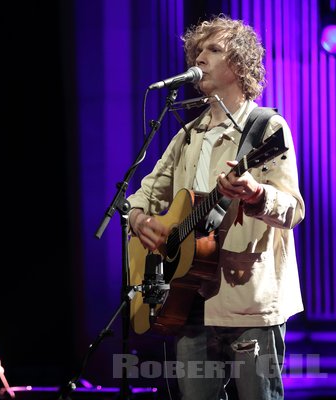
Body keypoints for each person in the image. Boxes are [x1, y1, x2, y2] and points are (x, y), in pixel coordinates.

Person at [127, 15, 304, 400]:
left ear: (239, 65)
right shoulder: (188, 134)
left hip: (247, 303)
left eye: (214, 49)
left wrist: (256, 194)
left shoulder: (267, 129)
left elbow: (293, 210)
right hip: (189, 300)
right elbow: (142, 195)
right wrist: (139, 219)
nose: (199, 57)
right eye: (198, 49)